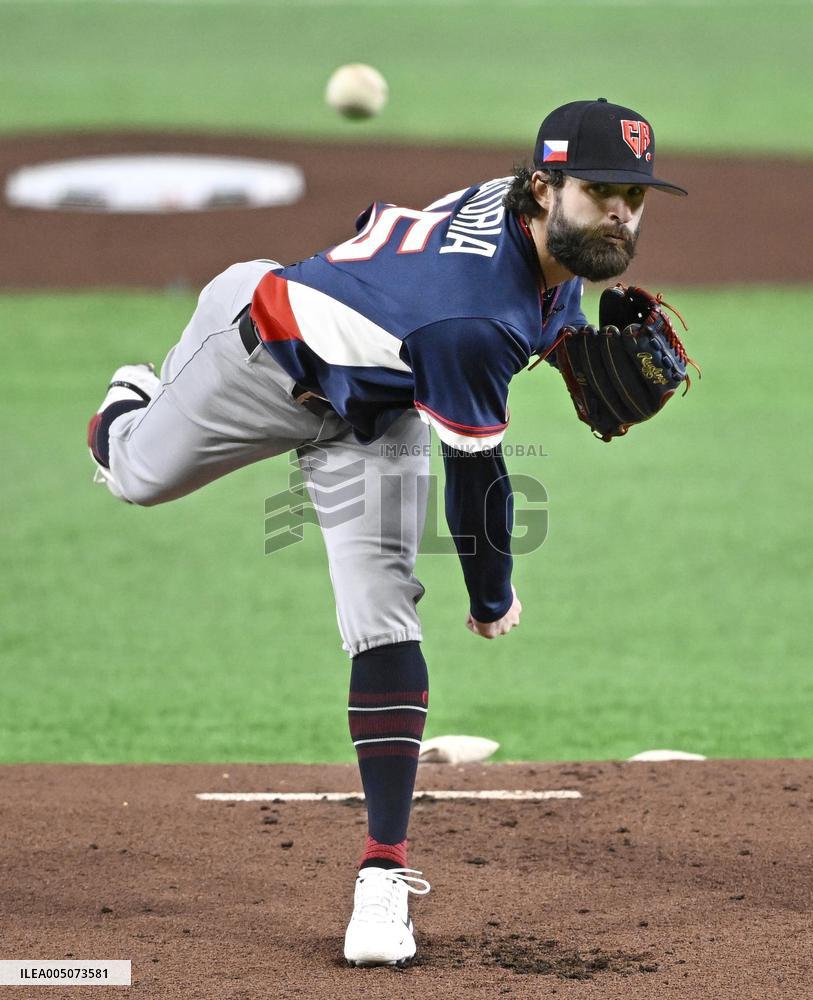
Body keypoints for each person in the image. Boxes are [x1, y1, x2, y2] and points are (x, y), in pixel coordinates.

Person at [87, 98, 686, 967]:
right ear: (544, 185)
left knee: (383, 612)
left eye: (635, 194)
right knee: (135, 477)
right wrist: (492, 597)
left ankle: (381, 880)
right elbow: (477, 483)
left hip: (380, 405)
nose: (622, 213)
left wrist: (564, 348)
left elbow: (518, 302)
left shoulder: (537, 239)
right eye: (601, 191)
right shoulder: (471, 323)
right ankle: (129, 395)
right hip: (258, 355)